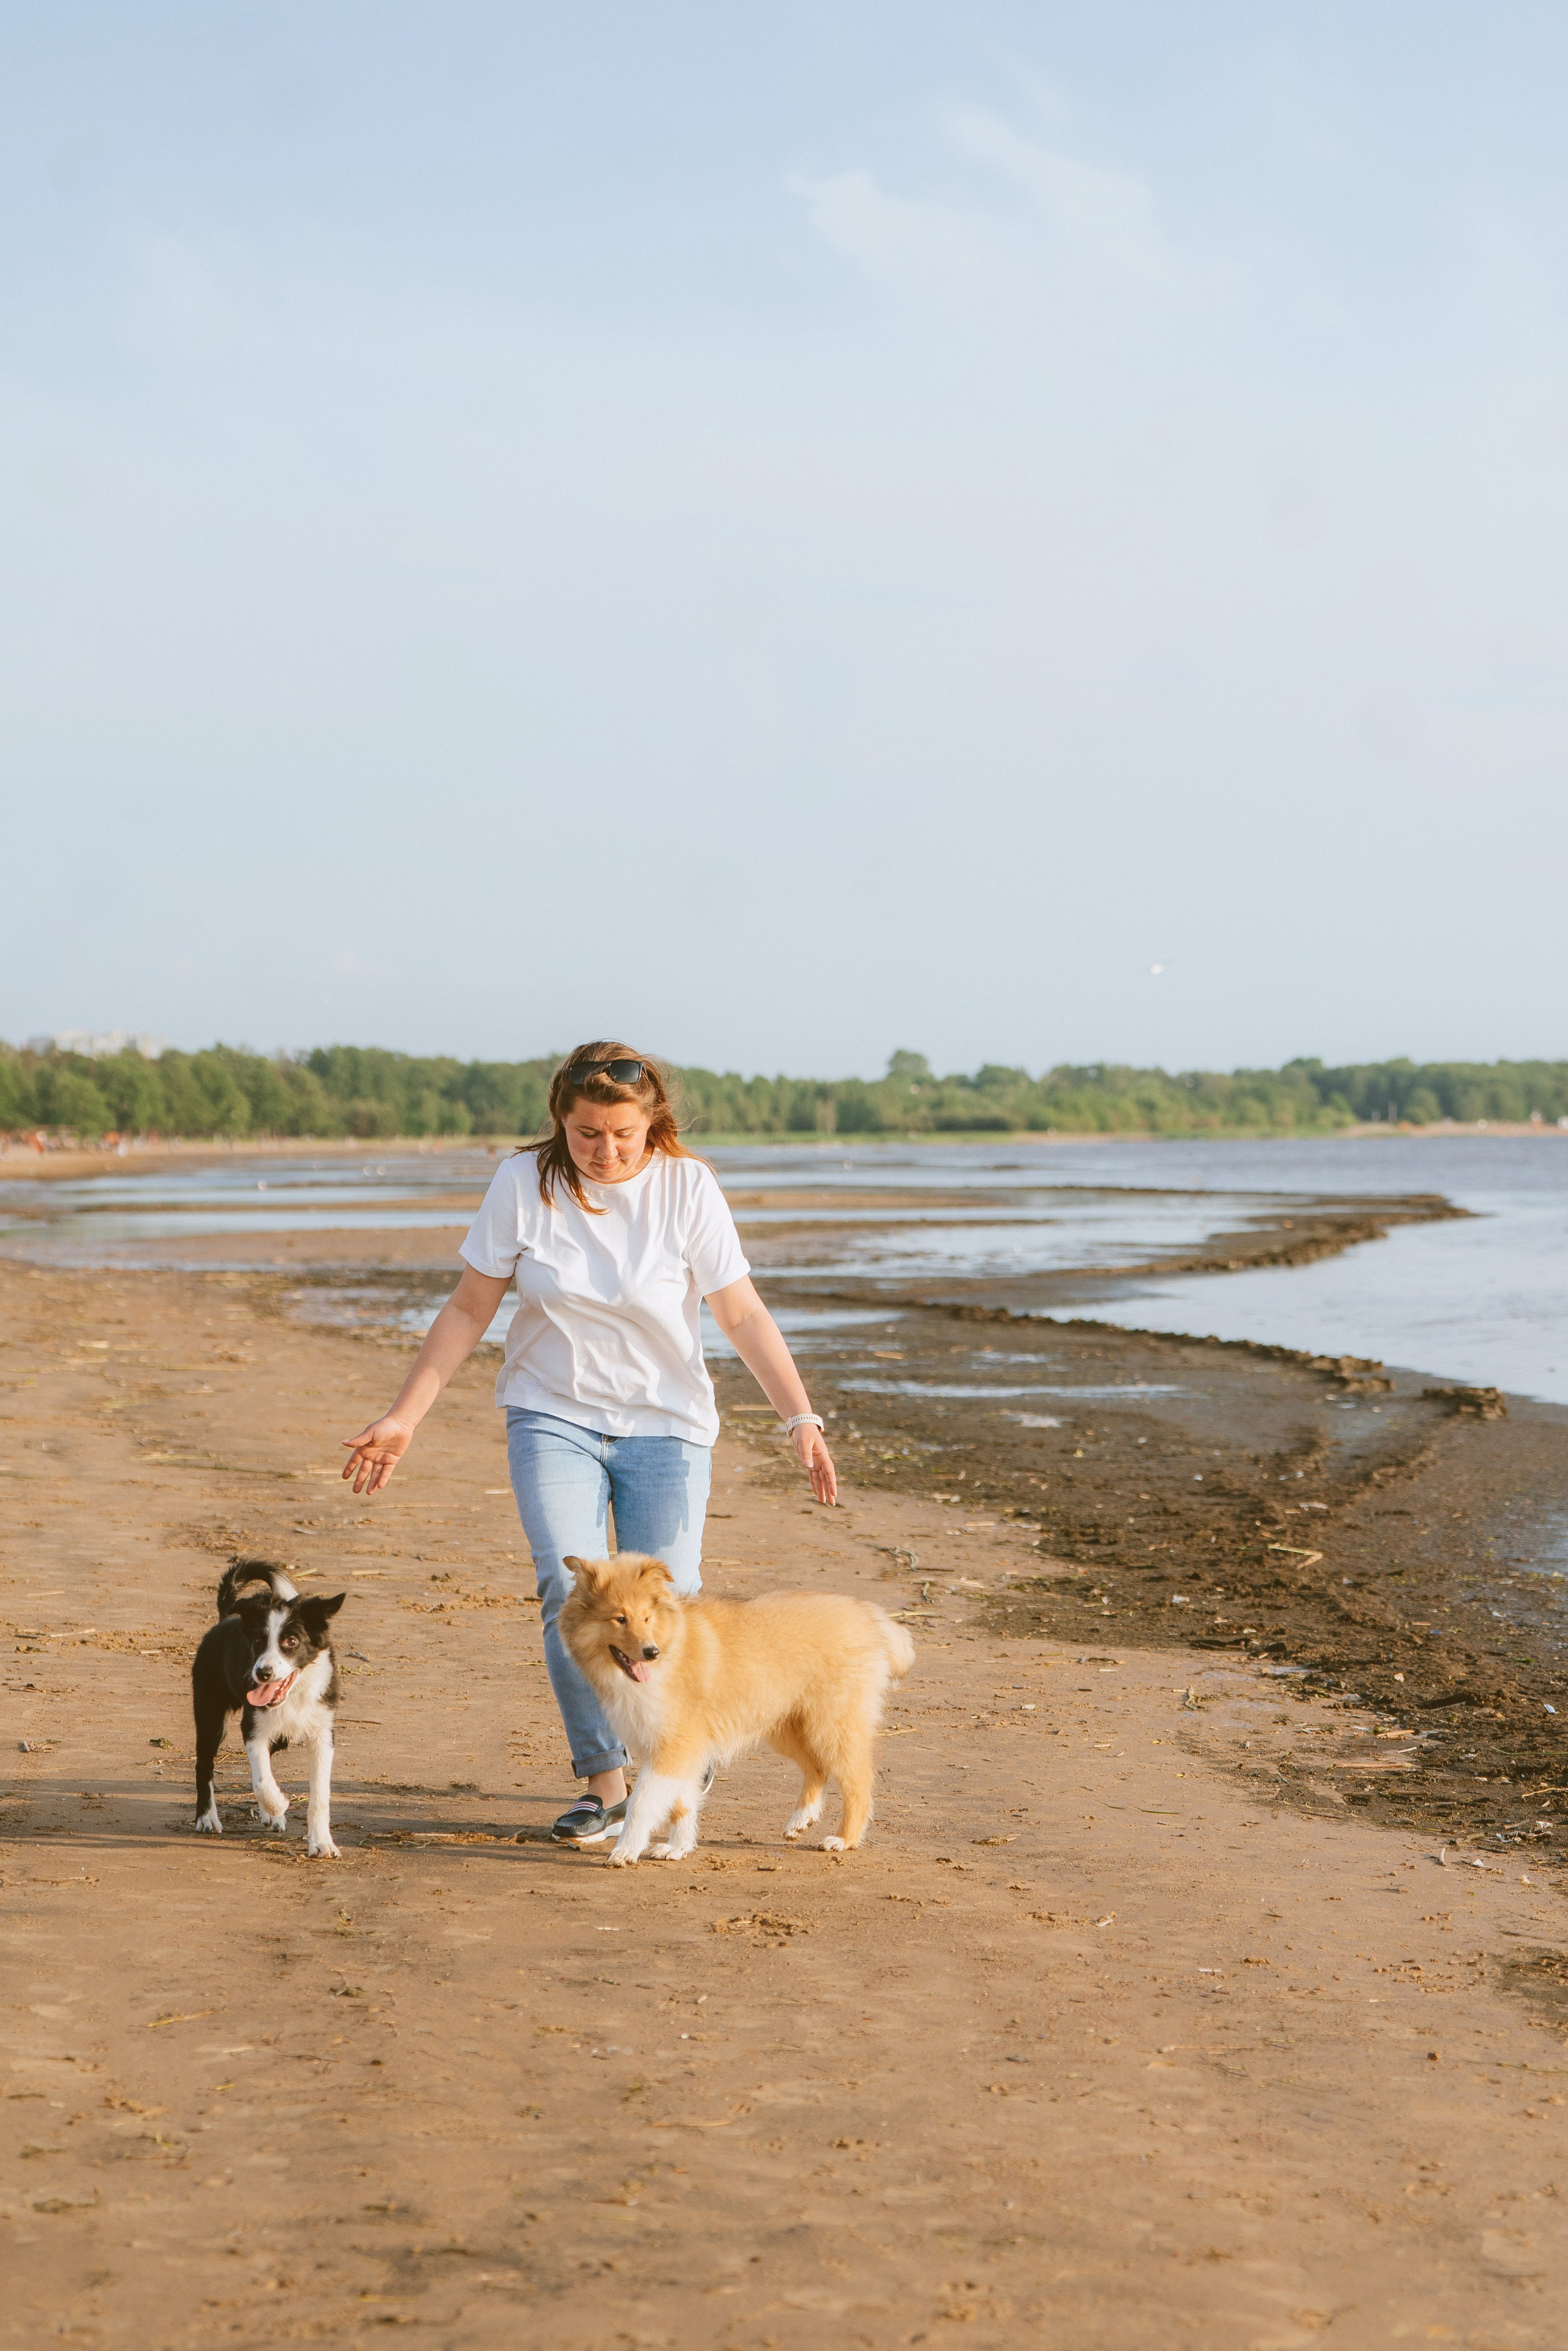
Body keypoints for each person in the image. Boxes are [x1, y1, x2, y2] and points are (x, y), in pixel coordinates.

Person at [341, 1043, 837, 1844]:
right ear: (560, 1123)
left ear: (654, 1125)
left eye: (622, 1136)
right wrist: (405, 1414)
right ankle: (605, 1783)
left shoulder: (687, 1187)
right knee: (567, 1590)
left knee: (665, 1600)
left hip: (667, 1425)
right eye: (586, 1135)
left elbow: (741, 1314)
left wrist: (801, 1418)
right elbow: (470, 1307)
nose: (605, 1152)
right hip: (552, 1416)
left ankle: (671, 1762)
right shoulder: (522, 1185)